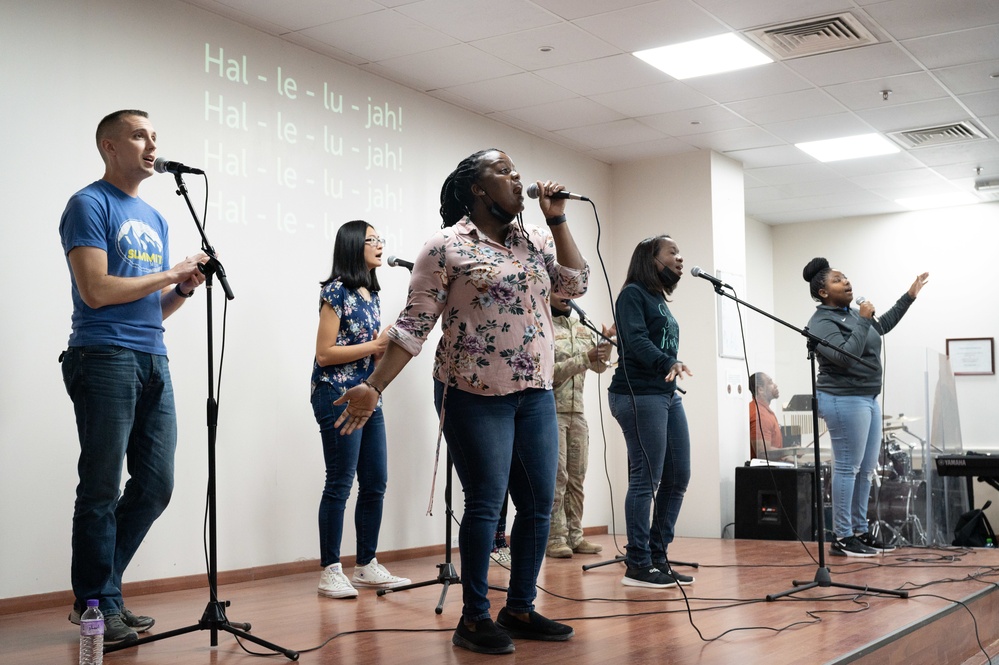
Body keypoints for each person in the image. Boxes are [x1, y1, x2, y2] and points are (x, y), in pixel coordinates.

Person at [333, 148, 588, 654]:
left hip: (534, 392)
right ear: (476, 188)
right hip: (473, 392)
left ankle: (519, 607)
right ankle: (473, 618)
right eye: (504, 171)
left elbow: (575, 283)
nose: (517, 178)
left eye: (518, 170)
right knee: (487, 503)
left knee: (539, 504)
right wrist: (374, 385)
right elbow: (413, 326)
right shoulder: (444, 247)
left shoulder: (534, 240)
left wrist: (557, 221)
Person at [59, 109, 208, 643]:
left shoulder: (156, 217)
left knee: (156, 485)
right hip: (101, 358)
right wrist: (170, 271)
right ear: (109, 147)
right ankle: (99, 603)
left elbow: (150, 307)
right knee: (100, 488)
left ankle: (101, 596)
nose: (152, 145)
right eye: (140, 135)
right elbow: (97, 291)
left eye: (155, 137)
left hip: (152, 357)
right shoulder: (88, 203)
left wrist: (183, 288)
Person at [802, 257, 929, 557]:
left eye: (845, 277)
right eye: (837, 280)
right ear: (823, 293)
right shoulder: (820, 322)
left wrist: (908, 296)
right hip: (843, 399)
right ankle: (842, 536)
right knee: (847, 468)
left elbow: (880, 326)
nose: (846, 282)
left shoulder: (854, 315)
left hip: (868, 399)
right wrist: (862, 319)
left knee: (866, 469)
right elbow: (846, 356)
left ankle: (859, 530)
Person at [312, 220, 411, 599]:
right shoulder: (337, 291)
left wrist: (381, 345)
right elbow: (324, 353)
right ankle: (330, 570)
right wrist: (374, 346)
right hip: (336, 395)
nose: (380, 245)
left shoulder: (372, 294)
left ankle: (366, 564)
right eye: (372, 240)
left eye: (380, 239)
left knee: (375, 482)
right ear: (354, 246)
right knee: (340, 483)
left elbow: (370, 347)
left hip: (368, 395)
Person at [608, 235, 694, 589]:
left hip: (665, 395)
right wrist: (668, 361)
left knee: (679, 476)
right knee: (647, 478)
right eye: (672, 252)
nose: (680, 258)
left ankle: (658, 556)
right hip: (637, 394)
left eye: (679, 251)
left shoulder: (658, 297)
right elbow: (637, 340)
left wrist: (669, 368)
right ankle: (637, 564)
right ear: (650, 259)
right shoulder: (632, 294)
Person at [546, 296, 613, 558]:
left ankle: (576, 536)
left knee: (577, 477)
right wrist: (585, 357)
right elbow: (547, 373)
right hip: (552, 412)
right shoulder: (542, 326)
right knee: (557, 478)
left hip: (578, 413)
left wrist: (605, 344)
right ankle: (555, 539)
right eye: (560, 290)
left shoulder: (582, 327)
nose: (567, 297)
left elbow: (598, 367)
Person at [748, 372, 782, 460]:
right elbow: (762, 452)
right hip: (766, 472)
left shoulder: (764, 411)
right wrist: (789, 453)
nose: (775, 385)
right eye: (770, 382)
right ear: (760, 389)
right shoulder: (759, 414)